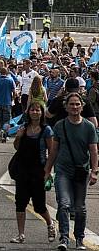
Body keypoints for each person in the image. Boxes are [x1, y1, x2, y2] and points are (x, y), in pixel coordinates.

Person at [43, 93, 99, 251]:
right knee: (64, 204)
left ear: (82, 106)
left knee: (80, 208)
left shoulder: (88, 126)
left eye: (77, 104)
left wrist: (94, 171)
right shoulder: (60, 125)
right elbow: (54, 151)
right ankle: (64, 238)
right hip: (63, 171)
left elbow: (94, 151)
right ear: (66, 107)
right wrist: (47, 170)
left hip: (81, 171)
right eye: (71, 104)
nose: (74, 107)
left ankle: (79, 239)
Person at [9, 101, 56, 244]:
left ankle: (50, 224)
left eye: (38, 110)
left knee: (39, 205)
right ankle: (21, 234)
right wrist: (18, 136)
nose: (35, 112)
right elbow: (17, 147)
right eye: (32, 110)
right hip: (22, 170)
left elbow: (51, 151)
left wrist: (48, 170)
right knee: (20, 203)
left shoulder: (46, 130)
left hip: (38, 170)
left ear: (42, 113)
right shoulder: (24, 127)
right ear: (28, 112)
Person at [0, 67, 16, 141]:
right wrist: (12, 99)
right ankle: (5, 134)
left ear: (0, 73)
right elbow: (14, 91)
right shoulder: (10, 80)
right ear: (7, 73)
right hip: (7, 102)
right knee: (7, 120)